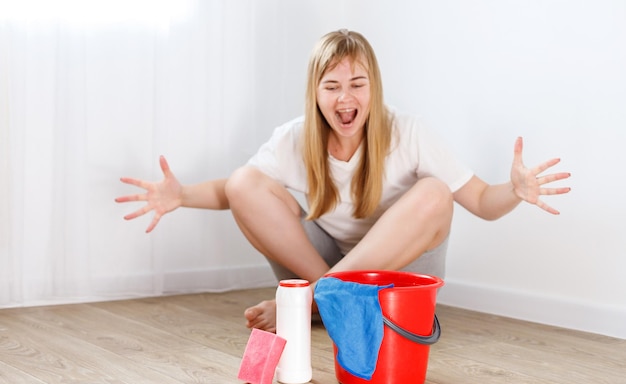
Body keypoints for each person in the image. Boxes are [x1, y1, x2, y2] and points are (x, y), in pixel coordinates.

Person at [115, 29, 571, 332]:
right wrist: (182, 195)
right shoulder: (295, 138)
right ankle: (334, 299)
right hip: (330, 260)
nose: (346, 97)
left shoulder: (410, 133)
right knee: (243, 182)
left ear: (374, 87)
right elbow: (233, 192)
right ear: (316, 94)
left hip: (402, 274)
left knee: (435, 193)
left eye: (357, 83)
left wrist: (514, 190)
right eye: (332, 86)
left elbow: (482, 202)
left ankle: (310, 302)